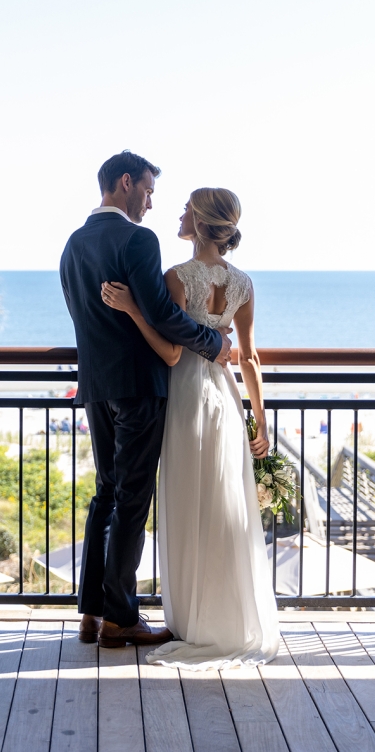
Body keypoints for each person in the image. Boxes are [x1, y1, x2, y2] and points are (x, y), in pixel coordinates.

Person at [101, 187, 279, 670]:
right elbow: (248, 358)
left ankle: (191, 622)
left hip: (183, 398)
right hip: (225, 397)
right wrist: (259, 420)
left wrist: (134, 310)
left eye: (185, 210)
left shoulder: (177, 277)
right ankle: (224, 619)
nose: (177, 215)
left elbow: (171, 352)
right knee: (222, 504)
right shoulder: (243, 283)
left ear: (200, 224)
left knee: (185, 501)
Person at [60, 151, 232, 647]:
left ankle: (91, 614)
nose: (152, 203)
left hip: (96, 386)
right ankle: (120, 619)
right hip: (139, 385)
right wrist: (214, 343)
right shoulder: (137, 239)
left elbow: (81, 317)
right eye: (149, 191)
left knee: (106, 496)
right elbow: (161, 314)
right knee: (131, 500)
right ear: (125, 182)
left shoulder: (73, 244)